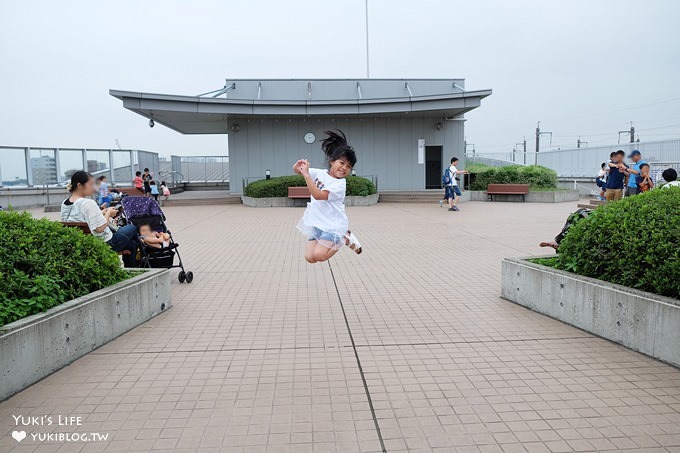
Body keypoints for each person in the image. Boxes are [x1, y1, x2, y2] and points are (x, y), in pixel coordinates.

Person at [293, 129, 362, 263]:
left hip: (333, 225)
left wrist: (307, 176)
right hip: (317, 222)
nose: (344, 168)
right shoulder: (321, 173)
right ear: (332, 161)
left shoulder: (340, 185)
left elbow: (318, 195)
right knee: (309, 258)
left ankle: (343, 238)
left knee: (320, 255)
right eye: (341, 163)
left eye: (348, 166)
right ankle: (343, 238)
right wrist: (298, 166)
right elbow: (299, 171)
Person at [60, 171, 139, 267]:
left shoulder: (65, 203)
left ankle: (134, 260)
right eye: (90, 184)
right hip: (106, 242)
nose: (93, 187)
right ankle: (143, 251)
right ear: (80, 185)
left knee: (132, 244)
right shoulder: (88, 203)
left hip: (81, 242)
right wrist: (109, 213)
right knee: (132, 227)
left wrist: (101, 213)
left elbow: (79, 218)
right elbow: (100, 228)